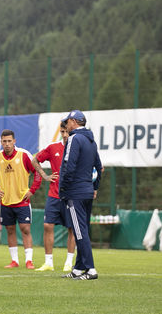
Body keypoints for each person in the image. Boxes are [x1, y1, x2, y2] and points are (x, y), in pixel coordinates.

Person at [0, 129, 42, 269]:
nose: (7, 144)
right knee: (10, 230)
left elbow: (38, 172)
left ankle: (29, 261)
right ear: (1, 142)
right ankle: (14, 261)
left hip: (22, 200)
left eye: (9, 141)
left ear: (14, 141)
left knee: (25, 229)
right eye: (4, 141)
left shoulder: (24, 155)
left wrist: (32, 190)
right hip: (5, 201)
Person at [60, 110, 102, 280]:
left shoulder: (74, 139)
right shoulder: (91, 141)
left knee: (79, 231)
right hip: (87, 191)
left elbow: (69, 165)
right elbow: (99, 167)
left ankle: (91, 270)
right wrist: (95, 187)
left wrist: (63, 187)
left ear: (73, 121)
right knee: (82, 229)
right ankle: (78, 268)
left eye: (67, 122)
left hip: (75, 192)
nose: (65, 126)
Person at [30, 121, 77, 272]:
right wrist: (44, 175)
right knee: (47, 226)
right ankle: (48, 262)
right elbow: (35, 159)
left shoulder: (78, 148)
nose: (64, 135)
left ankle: (69, 262)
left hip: (72, 196)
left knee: (72, 229)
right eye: (62, 132)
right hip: (54, 195)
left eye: (66, 132)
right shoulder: (53, 148)